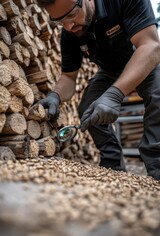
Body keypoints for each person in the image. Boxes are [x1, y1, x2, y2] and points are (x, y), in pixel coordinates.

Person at [37, 0, 160, 180]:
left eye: (71, 15)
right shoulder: (70, 32)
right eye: (60, 21)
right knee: (88, 107)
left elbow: (150, 46)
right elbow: (69, 78)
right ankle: (113, 165)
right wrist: (55, 95)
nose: (69, 26)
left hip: (143, 59)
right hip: (110, 71)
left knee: (157, 95)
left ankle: (157, 167)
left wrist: (115, 94)